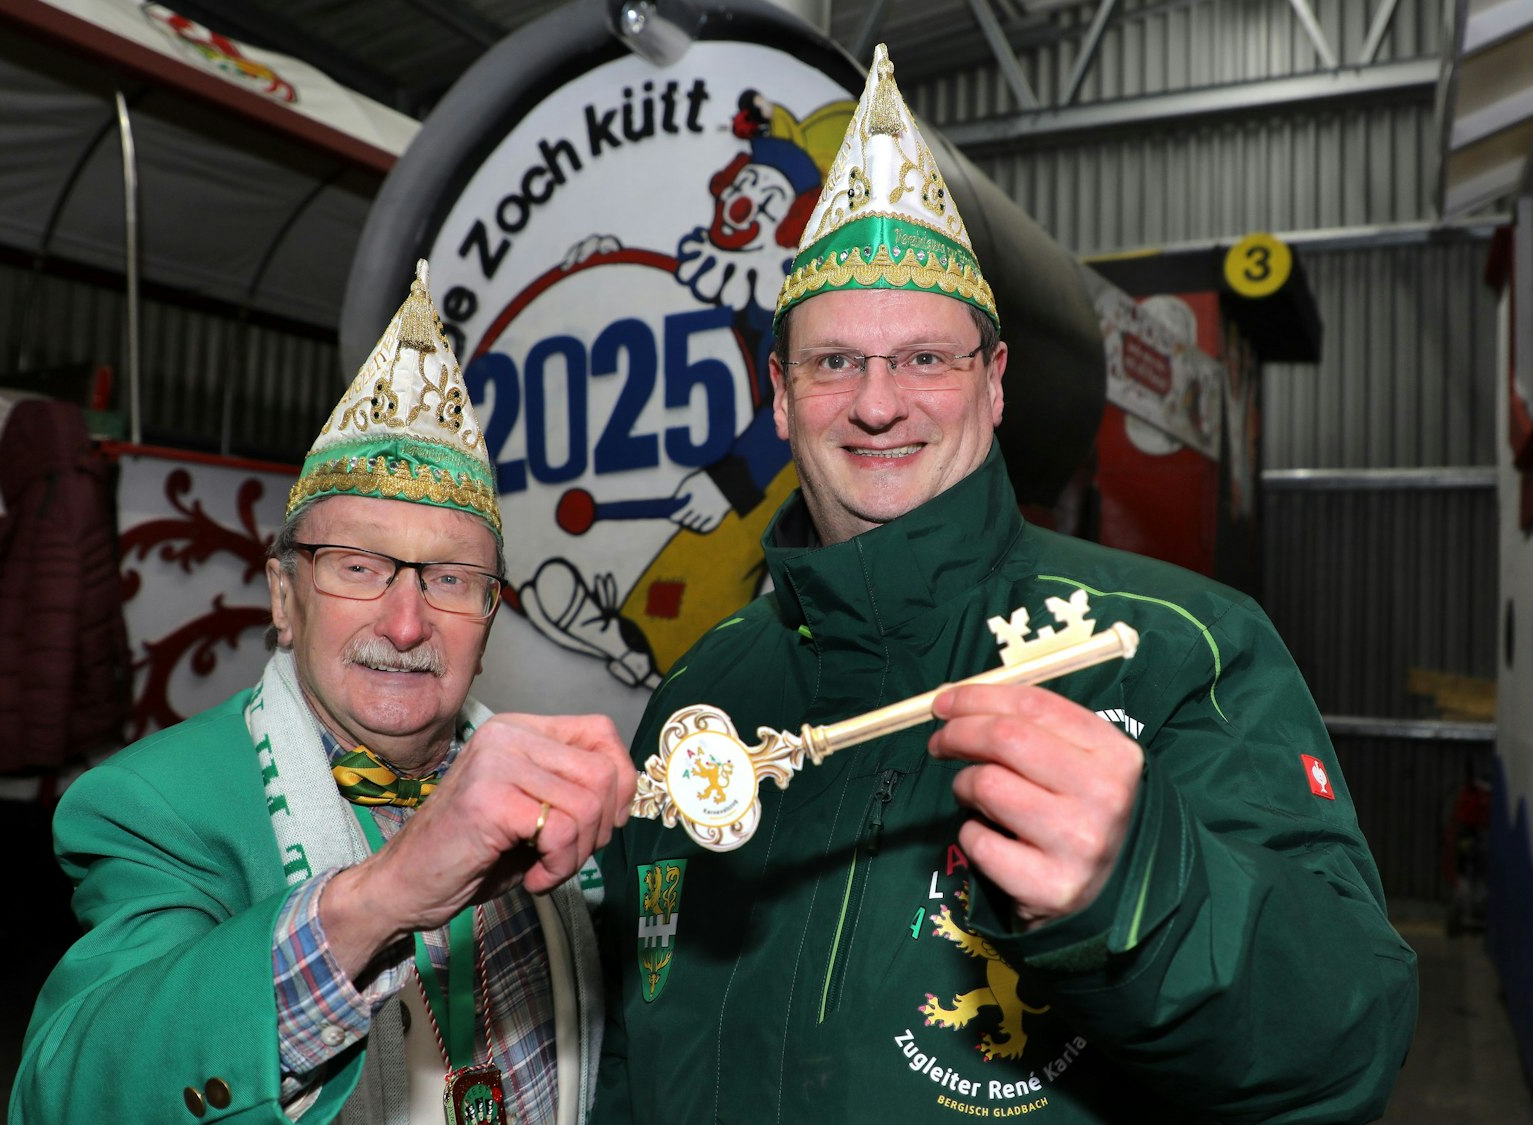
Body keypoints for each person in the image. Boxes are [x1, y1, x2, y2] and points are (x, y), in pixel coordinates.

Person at [592, 46, 1417, 1124]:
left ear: (992, 386)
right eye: (834, 363)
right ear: (780, 397)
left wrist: (1144, 894)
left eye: (924, 359)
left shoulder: (1174, 648)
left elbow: (1348, 1044)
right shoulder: (709, 687)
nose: (877, 404)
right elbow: (627, 1051)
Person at [10, 263, 637, 1125]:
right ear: (282, 596)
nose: (408, 622)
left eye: (451, 580)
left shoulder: (550, 800)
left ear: (489, 619)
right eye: (360, 568)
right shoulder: (153, 804)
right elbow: (73, 1091)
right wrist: (384, 893)